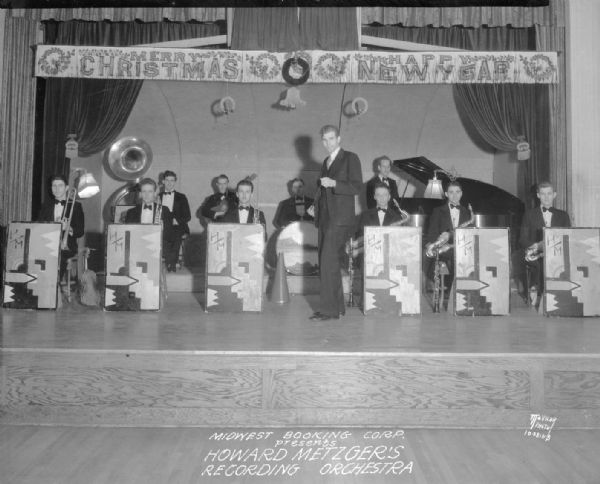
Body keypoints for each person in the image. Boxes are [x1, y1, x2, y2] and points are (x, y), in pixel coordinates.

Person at [308, 125, 363, 321]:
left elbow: (356, 186)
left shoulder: (350, 158)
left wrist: (335, 184)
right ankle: (337, 307)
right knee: (328, 263)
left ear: (339, 139)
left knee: (327, 262)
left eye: (331, 139)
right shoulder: (326, 161)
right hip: (325, 218)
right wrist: (315, 205)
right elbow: (324, 191)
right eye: (324, 140)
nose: (328, 143)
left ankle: (329, 311)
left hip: (340, 220)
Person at [519, 181, 571, 298]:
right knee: (541, 263)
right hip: (536, 252)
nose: (546, 197)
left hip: (557, 253)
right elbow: (522, 239)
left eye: (549, 193)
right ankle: (540, 292)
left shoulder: (563, 216)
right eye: (543, 194)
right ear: (538, 195)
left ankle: (559, 295)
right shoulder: (529, 215)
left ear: (554, 195)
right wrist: (538, 245)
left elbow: (568, 239)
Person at [37, 174, 85, 281]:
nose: (57, 189)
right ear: (51, 188)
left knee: (57, 257)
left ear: (67, 188)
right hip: (47, 244)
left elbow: (80, 231)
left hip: (66, 247)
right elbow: (39, 227)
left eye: (60, 186)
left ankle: (54, 283)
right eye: (54, 186)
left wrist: (69, 228)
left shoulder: (76, 206)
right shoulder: (46, 206)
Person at [425, 180, 472, 280]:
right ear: (446, 194)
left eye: (457, 192)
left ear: (461, 193)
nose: (455, 195)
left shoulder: (467, 213)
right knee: (444, 284)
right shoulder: (437, 211)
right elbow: (432, 235)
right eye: (451, 192)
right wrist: (440, 246)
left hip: (461, 253)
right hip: (443, 255)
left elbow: (470, 236)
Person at [125, 178, 174, 245]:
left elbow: (169, 237)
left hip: (157, 247)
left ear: (155, 193)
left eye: (150, 191)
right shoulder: (131, 212)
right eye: (144, 191)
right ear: (140, 193)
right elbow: (128, 236)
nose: (147, 195)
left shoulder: (164, 210)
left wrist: (162, 230)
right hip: (137, 247)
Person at [159, 171, 191, 272]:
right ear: (163, 181)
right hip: (163, 226)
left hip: (178, 226)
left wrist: (177, 221)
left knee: (176, 235)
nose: (169, 183)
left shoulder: (182, 197)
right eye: (167, 180)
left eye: (172, 180)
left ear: (175, 182)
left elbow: (188, 216)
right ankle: (171, 262)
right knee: (162, 234)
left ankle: (171, 263)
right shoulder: (158, 196)